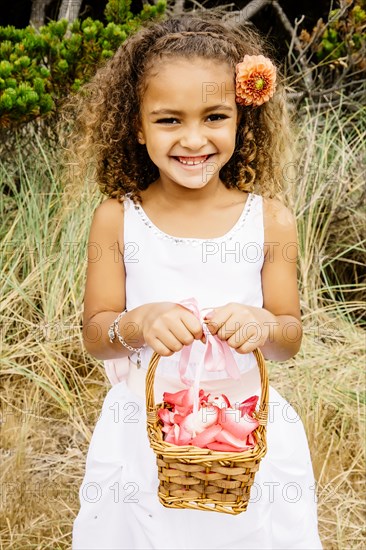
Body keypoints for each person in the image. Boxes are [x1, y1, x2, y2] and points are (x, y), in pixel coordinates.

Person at [68, 9, 323, 550]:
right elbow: (96, 334)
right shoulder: (118, 217)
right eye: (168, 120)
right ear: (136, 126)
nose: (193, 139)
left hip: (244, 429)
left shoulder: (269, 218)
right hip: (146, 429)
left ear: (241, 118)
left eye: (214, 116)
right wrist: (138, 323)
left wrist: (262, 324)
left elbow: (289, 337)